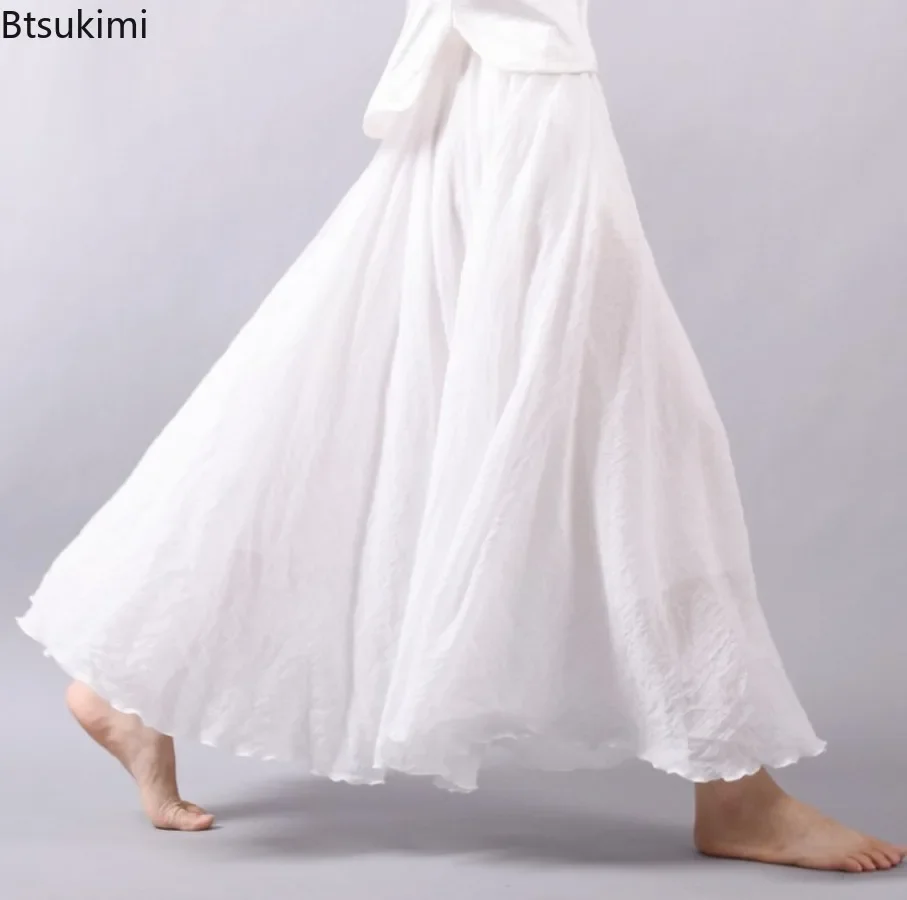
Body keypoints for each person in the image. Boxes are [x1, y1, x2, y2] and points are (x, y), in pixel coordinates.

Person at [17, 0, 904, 873]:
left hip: (488, 85)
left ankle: (133, 678)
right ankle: (737, 793)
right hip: (518, 95)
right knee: (627, 430)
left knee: (355, 388)